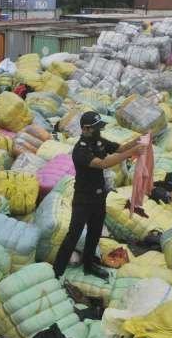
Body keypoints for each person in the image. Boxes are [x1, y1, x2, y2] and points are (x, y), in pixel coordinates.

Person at [52, 111, 146, 278]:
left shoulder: (99, 141)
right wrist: (133, 152)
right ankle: (57, 272)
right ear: (86, 129)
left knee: (95, 233)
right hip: (83, 199)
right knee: (73, 235)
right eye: (96, 129)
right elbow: (103, 163)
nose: (99, 131)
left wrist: (140, 140)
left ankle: (89, 266)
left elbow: (120, 148)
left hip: (99, 197)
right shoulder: (80, 150)